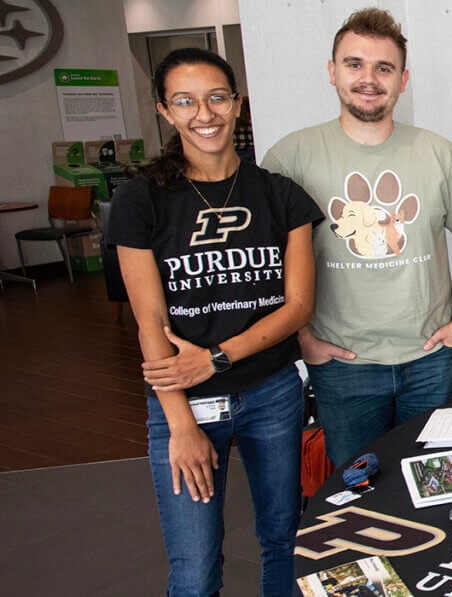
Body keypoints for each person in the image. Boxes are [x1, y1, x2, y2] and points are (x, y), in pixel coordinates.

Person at [106, 48, 323, 596]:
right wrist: (180, 425)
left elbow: (297, 306)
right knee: (195, 565)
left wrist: (217, 357)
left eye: (216, 97)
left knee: (283, 540)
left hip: (272, 393)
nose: (204, 113)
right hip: (183, 403)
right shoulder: (141, 199)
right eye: (185, 101)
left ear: (237, 104)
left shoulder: (281, 195)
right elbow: (150, 322)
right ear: (165, 111)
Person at [262, 8, 452, 468]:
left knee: (439, 483)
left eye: (383, 68)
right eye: (354, 64)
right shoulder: (289, 157)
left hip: (431, 359)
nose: (368, 78)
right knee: (356, 489)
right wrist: (302, 336)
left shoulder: (439, 153)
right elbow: (271, 258)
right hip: (342, 366)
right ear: (332, 72)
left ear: (402, 80)